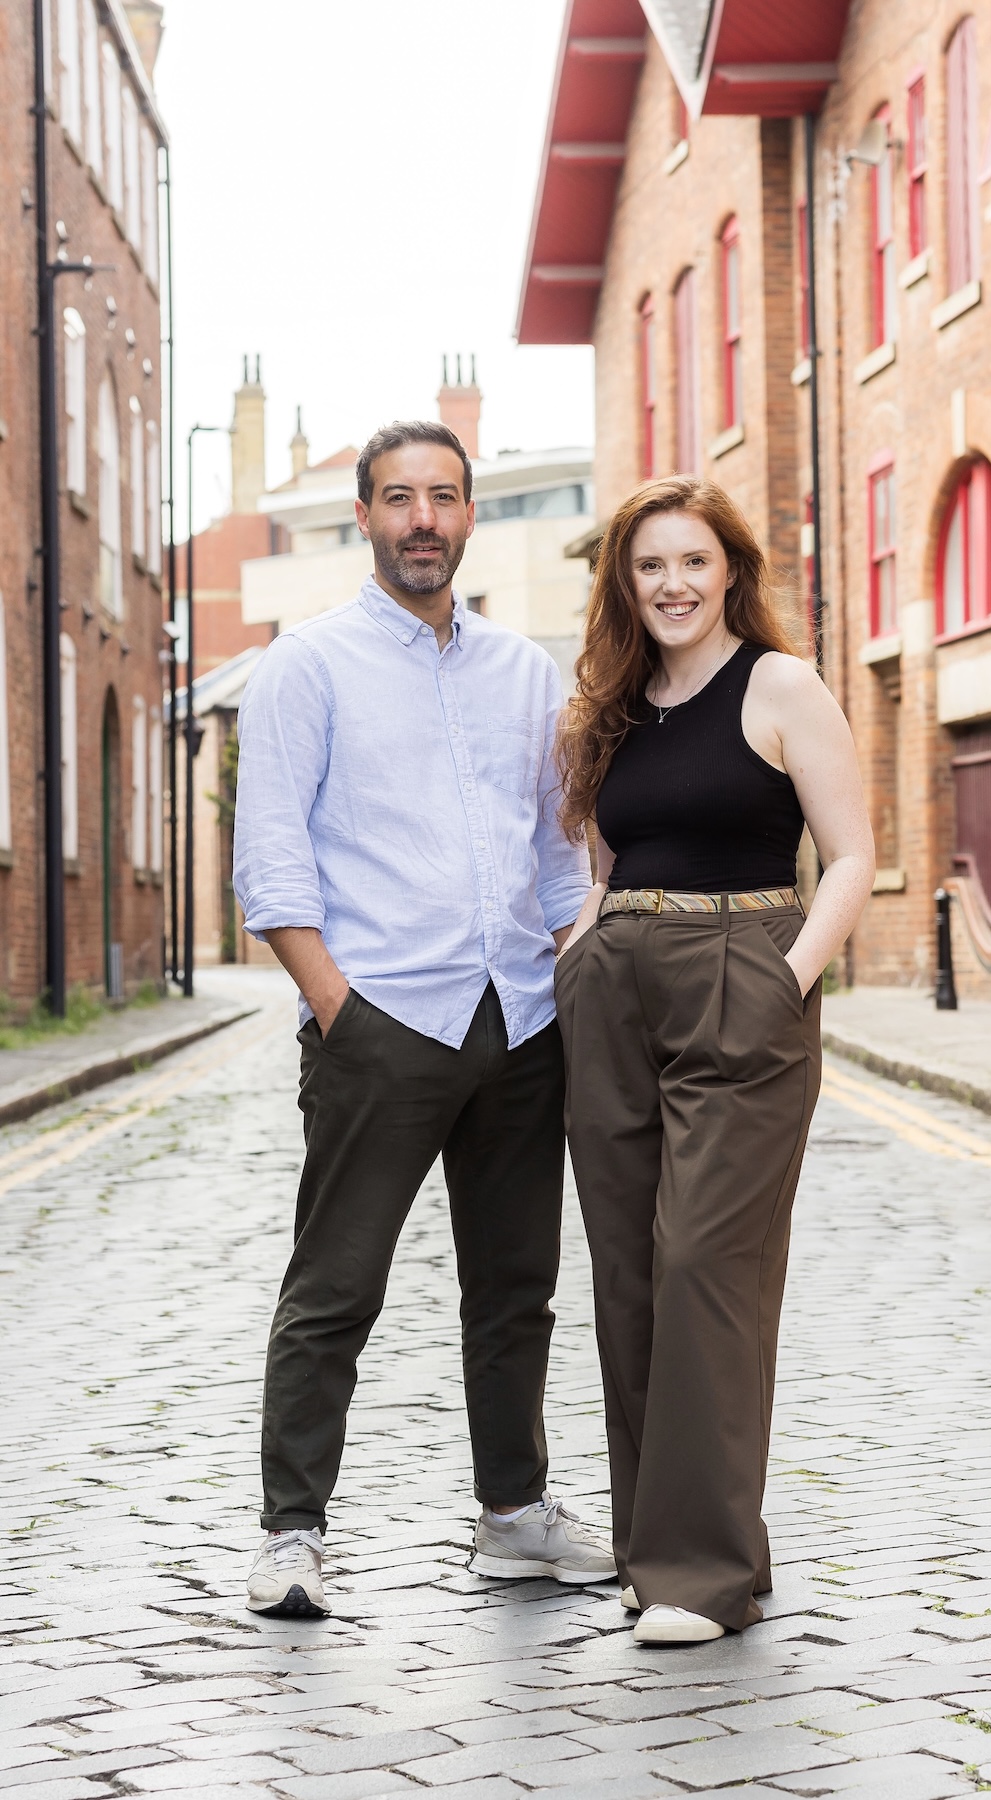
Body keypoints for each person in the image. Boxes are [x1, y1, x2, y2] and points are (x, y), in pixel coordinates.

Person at [232, 420, 616, 1617]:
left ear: (466, 514)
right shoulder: (308, 665)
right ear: (365, 515)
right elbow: (272, 863)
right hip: (382, 1019)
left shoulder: (525, 673)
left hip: (520, 1017)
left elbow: (558, 856)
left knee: (516, 1285)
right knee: (335, 1284)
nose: (425, 521)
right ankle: (292, 1533)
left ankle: (513, 1514)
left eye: (445, 498)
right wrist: (340, 1009)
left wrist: (573, 974)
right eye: (400, 499)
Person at [553, 476, 875, 1645]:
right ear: (624, 584)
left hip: (744, 967)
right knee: (631, 1274)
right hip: (617, 985)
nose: (674, 584)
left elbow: (850, 857)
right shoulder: (609, 708)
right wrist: (582, 955)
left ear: (730, 569)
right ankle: (669, 1548)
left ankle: (700, 1580)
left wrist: (787, 977)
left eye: (694, 561)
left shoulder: (782, 685)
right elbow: (597, 867)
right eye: (650, 567)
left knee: (704, 1268)